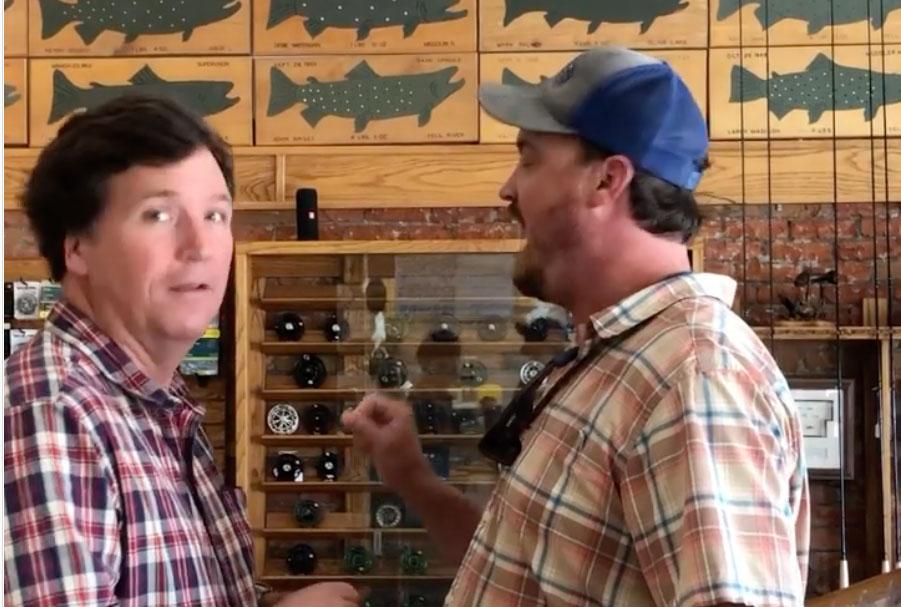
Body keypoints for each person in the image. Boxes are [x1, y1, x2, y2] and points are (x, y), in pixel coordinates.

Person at [342, 47, 810, 606]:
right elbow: (527, 573)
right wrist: (413, 477)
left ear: (606, 180)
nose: (508, 189)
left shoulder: (695, 378)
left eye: (529, 159)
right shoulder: (618, 358)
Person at [4, 95, 358, 607]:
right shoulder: (51, 415)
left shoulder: (156, 402)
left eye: (216, 215)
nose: (201, 246)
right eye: (159, 214)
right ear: (76, 246)